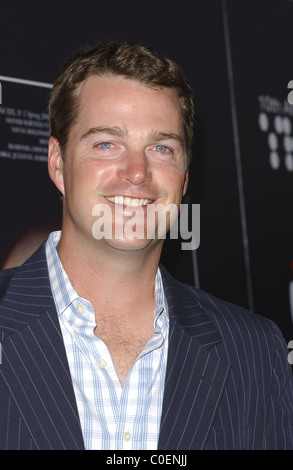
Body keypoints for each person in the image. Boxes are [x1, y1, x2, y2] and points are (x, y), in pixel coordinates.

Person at [0, 42, 292, 451]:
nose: (137, 172)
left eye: (161, 148)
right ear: (57, 163)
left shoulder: (256, 353)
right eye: (106, 143)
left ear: (184, 180)